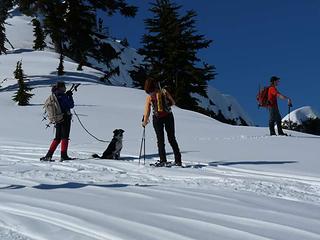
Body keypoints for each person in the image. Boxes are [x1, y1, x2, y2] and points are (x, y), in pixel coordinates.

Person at [142, 77, 182, 166]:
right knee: (172, 139)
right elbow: (173, 102)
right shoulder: (163, 91)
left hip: (157, 119)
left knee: (160, 140)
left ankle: (163, 160)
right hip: (168, 116)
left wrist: (145, 121)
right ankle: (178, 160)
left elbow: (147, 110)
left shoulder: (149, 97)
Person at [40, 81, 74, 161]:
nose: (65, 88)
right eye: (64, 86)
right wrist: (70, 96)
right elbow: (71, 105)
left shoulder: (54, 95)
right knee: (65, 137)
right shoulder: (63, 96)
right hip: (65, 117)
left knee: (57, 138)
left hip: (57, 118)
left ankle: (48, 155)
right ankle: (64, 156)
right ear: (61, 87)